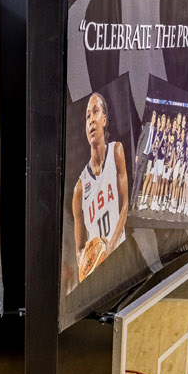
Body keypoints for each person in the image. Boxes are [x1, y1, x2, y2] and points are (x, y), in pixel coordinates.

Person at [71, 91, 129, 285]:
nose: (91, 120)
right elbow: (79, 248)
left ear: (104, 119)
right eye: (87, 116)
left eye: (95, 112)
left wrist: (109, 249)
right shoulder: (79, 189)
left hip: (119, 254)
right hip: (97, 274)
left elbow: (124, 205)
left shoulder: (116, 152)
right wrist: (86, 263)